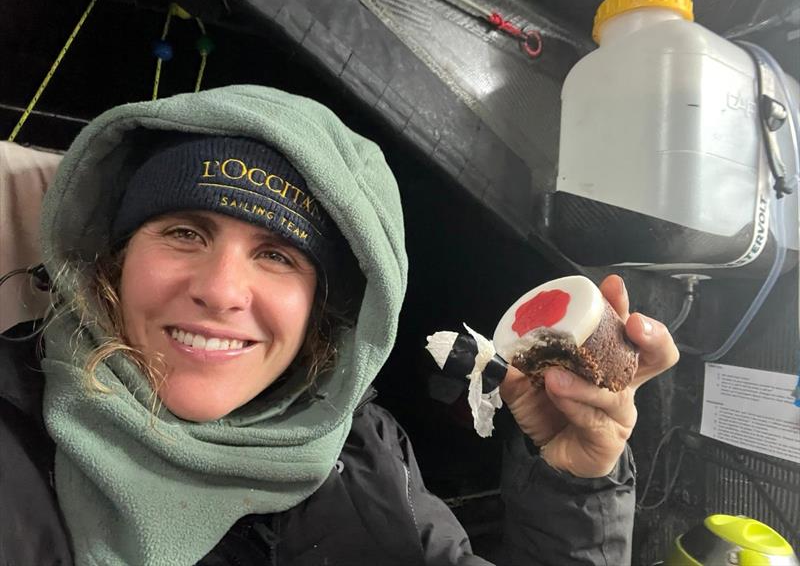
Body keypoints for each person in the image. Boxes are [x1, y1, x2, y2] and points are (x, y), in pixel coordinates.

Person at [0, 85, 679, 566]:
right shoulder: (17, 447)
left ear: (323, 305)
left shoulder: (362, 448)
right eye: (183, 231)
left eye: (276, 254)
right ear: (112, 262)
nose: (219, 290)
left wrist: (575, 486)